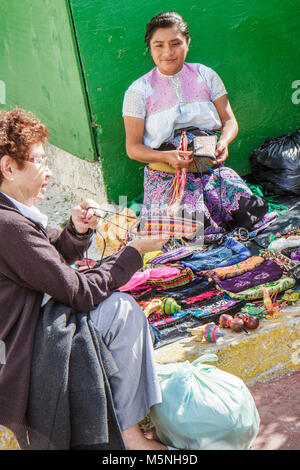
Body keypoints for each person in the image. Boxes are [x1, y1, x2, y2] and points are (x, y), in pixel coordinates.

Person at [0, 108, 169, 450]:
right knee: (121, 311)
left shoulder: (12, 217)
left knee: (113, 307)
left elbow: (44, 260)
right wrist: (134, 252)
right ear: (8, 168)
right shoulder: (10, 226)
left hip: (26, 330)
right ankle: (131, 435)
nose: (48, 172)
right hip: (26, 346)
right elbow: (77, 292)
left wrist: (76, 231)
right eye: (40, 161)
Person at [123, 11, 268, 238]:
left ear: (187, 43)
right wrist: (167, 157)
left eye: (175, 43)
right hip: (168, 177)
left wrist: (224, 142)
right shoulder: (138, 91)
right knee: (192, 230)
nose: (167, 52)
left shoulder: (205, 75)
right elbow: (133, 148)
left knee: (249, 211)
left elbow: (229, 121)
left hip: (209, 172)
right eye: (158, 45)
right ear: (149, 48)